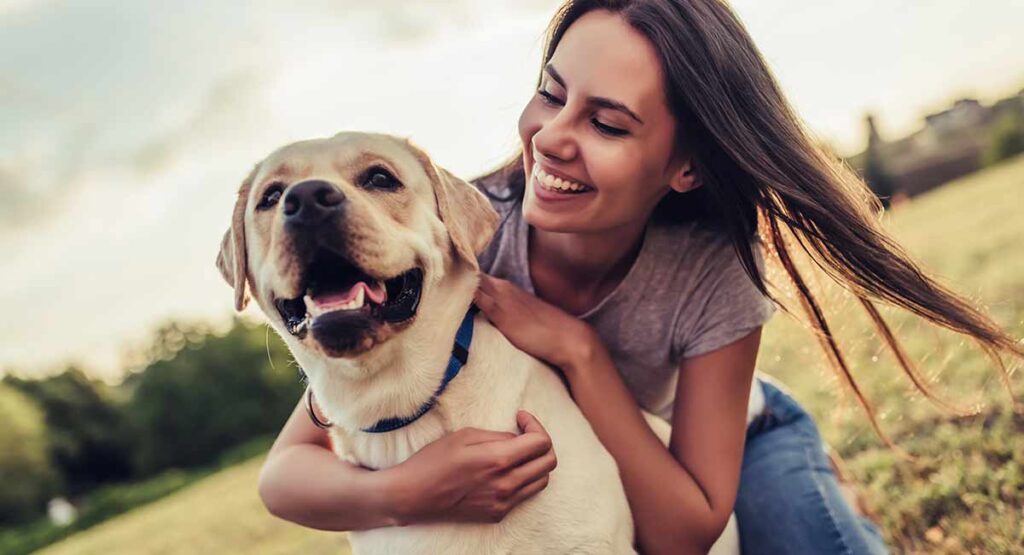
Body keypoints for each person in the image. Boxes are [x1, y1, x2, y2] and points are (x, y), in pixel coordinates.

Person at [257, 1, 1023, 553]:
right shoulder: (457, 235)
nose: (552, 137)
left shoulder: (713, 269)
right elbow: (289, 470)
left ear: (686, 164)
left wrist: (579, 353)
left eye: (608, 123)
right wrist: (406, 492)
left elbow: (684, 529)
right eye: (552, 94)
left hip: (731, 441)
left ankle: (824, 484)